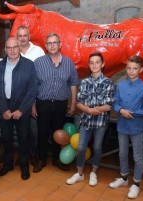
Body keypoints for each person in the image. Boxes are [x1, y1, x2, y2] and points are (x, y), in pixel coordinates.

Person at [33, 33, 80, 173]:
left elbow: (73, 84)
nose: (52, 45)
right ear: (46, 46)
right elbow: (33, 86)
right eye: (49, 43)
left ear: (60, 45)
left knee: (58, 132)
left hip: (61, 104)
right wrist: (32, 105)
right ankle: (41, 159)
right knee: (42, 132)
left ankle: (56, 159)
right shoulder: (38, 62)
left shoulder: (68, 62)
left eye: (55, 43)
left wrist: (73, 104)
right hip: (43, 103)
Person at [66, 52, 115, 186]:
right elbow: (79, 102)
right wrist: (88, 110)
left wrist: (96, 110)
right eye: (91, 63)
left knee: (97, 147)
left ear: (102, 64)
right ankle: (80, 173)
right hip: (86, 120)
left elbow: (109, 104)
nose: (94, 65)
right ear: (88, 65)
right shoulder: (84, 82)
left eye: (97, 62)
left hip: (100, 122)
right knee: (81, 147)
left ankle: (93, 171)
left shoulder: (108, 83)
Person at [0, 37, 37, 180]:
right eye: (9, 48)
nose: (12, 50)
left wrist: (21, 110)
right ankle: (8, 164)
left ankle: (24, 167)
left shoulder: (29, 65)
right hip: (5, 107)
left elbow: (32, 90)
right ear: (5, 49)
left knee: (23, 139)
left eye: (15, 47)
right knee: (6, 138)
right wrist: (4, 109)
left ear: (20, 48)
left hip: (22, 108)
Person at [109, 55, 143, 199]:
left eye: (134, 68)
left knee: (137, 156)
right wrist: (121, 110)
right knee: (122, 153)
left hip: (136, 126)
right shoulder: (120, 85)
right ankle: (124, 178)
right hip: (122, 125)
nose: (131, 71)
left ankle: (136, 184)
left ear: (140, 69)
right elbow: (115, 103)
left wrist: (130, 113)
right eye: (128, 68)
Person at [15, 26, 45, 166]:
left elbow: (41, 75)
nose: (22, 38)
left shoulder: (38, 51)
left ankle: (33, 154)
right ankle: (23, 154)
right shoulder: (13, 50)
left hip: (34, 97)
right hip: (17, 98)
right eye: (19, 36)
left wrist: (33, 102)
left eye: (24, 35)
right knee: (21, 129)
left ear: (29, 36)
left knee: (33, 129)